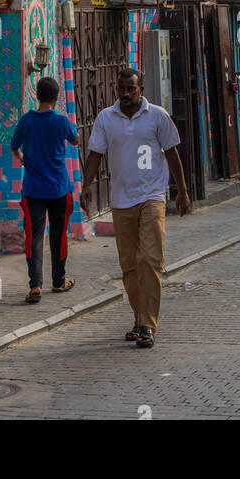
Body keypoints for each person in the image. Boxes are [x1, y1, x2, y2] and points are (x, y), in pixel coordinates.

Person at [80, 68, 190, 350]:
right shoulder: (106, 118)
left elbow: (171, 152)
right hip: (121, 200)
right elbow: (95, 154)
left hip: (152, 196)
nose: (126, 94)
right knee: (129, 265)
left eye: (131, 88)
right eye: (121, 89)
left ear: (141, 89)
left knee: (150, 260)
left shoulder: (158, 116)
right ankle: (139, 318)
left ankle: (148, 325)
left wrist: (182, 191)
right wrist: (86, 185)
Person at [10, 76, 79, 304]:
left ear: (36, 95)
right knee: (59, 236)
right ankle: (59, 281)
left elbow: (14, 147)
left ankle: (35, 286)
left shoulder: (26, 121)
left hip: (33, 190)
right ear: (57, 96)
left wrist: (24, 159)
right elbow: (76, 140)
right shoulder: (61, 120)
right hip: (60, 188)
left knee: (34, 236)